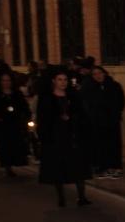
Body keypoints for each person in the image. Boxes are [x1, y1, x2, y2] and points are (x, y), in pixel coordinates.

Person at [36, 70, 92, 207]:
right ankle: (61, 197)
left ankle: (82, 197)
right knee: (58, 169)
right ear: (54, 81)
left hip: (73, 138)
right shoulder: (47, 98)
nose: (63, 82)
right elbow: (43, 119)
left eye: (65, 80)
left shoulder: (73, 97)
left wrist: (73, 119)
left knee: (79, 168)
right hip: (56, 138)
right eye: (60, 79)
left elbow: (82, 115)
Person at [82, 66, 125, 179]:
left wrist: (115, 113)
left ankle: (116, 167)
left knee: (114, 145)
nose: (98, 76)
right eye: (95, 74)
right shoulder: (90, 88)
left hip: (112, 121)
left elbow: (121, 101)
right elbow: (87, 104)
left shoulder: (114, 86)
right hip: (97, 122)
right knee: (101, 146)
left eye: (99, 73)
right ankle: (104, 168)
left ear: (104, 73)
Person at [0, 72, 31, 177]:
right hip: (2, 124)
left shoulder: (17, 93)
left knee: (15, 144)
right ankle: (8, 167)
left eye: (8, 80)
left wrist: (25, 116)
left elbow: (24, 107)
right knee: (4, 146)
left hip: (14, 123)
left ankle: (16, 161)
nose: (6, 83)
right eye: (4, 80)